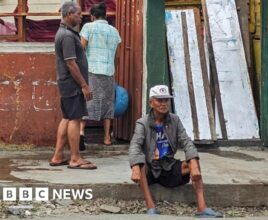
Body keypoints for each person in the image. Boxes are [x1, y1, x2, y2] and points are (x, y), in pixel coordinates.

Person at [129, 85, 223, 218]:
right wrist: (134, 168)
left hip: (168, 167)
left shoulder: (175, 120)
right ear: (151, 102)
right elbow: (135, 145)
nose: (163, 104)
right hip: (151, 168)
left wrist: (194, 163)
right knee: (140, 163)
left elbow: (186, 142)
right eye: (159, 100)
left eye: (166, 100)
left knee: (192, 162)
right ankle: (151, 207)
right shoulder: (142, 123)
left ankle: (202, 208)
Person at [49, 1, 97, 170]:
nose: (81, 17)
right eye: (78, 14)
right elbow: (71, 63)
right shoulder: (68, 36)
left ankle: (58, 156)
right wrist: (84, 85)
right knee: (75, 119)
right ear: (69, 14)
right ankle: (75, 158)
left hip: (67, 84)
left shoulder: (65, 33)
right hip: (73, 84)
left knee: (68, 117)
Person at [79, 2, 121, 149]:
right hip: (109, 71)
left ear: (92, 16)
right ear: (105, 16)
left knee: (88, 102)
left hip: (92, 70)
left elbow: (81, 48)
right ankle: (107, 137)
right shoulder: (114, 31)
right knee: (108, 104)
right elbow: (117, 54)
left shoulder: (88, 27)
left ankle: (81, 133)